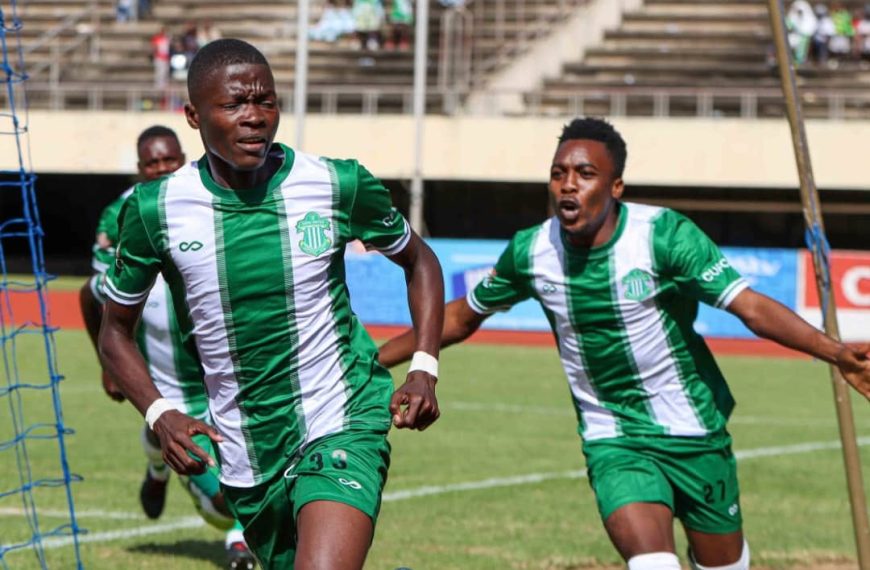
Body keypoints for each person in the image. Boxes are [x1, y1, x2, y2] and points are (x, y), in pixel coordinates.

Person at [377, 117, 870, 570]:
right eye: (558, 173)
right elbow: (462, 317)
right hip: (614, 438)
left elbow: (751, 308)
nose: (568, 184)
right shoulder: (532, 251)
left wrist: (835, 353)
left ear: (615, 187)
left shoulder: (664, 236)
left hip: (696, 430)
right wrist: (372, 357)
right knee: (653, 564)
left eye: (585, 173)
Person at [98, 38, 444, 570]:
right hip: (244, 447)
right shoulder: (155, 210)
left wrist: (424, 367)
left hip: (341, 413)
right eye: (234, 104)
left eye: (265, 101)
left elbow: (420, 262)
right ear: (193, 115)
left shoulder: (335, 183)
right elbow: (114, 332)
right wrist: (160, 411)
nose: (254, 117)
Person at [80, 125, 257, 570]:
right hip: (166, 373)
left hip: (226, 371)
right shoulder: (119, 214)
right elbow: (92, 291)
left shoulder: (211, 192)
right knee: (217, 498)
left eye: (168, 160)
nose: (160, 169)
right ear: (140, 168)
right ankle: (159, 462)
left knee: (249, 476)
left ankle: (241, 539)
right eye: (151, 163)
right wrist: (108, 362)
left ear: (182, 156)